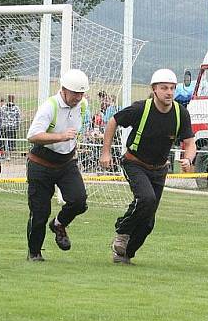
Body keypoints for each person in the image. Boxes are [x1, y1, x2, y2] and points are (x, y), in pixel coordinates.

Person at [99, 68, 196, 264]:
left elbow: (191, 142)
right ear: (154, 89)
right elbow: (113, 121)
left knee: (149, 222)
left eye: (172, 88)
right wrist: (106, 152)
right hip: (134, 163)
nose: (169, 92)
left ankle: (124, 255)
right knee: (146, 198)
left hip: (159, 169)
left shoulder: (181, 113)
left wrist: (189, 158)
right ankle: (122, 231)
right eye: (164, 88)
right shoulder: (140, 109)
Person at [25, 69, 90, 262]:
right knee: (39, 212)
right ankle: (34, 252)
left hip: (66, 163)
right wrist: (61, 137)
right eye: (74, 93)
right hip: (41, 164)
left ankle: (59, 224)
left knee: (79, 201)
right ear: (63, 89)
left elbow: (75, 130)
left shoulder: (83, 105)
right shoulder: (49, 106)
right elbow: (33, 136)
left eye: (81, 93)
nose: (78, 97)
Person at [0, 94, 22, 160]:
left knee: (3, 141)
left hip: (4, 127)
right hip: (12, 127)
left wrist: (1, 125)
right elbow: (18, 118)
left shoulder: (3, 107)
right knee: (11, 141)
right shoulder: (16, 108)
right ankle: (9, 155)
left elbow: (0, 117)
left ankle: (3, 155)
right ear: (13, 99)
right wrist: (17, 126)